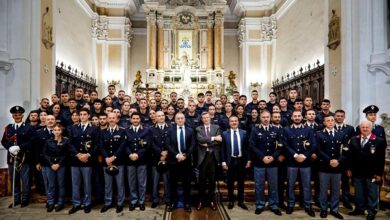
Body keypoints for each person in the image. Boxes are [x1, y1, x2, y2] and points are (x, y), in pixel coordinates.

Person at [347, 120, 387, 220]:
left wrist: (379, 173)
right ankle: (359, 209)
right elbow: (350, 156)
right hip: (357, 171)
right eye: (363, 127)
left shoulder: (379, 141)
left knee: (372, 193)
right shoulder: (353, 139)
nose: (365, 129)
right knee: (358, 192)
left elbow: (381, 159)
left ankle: (371, 211)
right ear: (360, 128)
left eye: (367, 127)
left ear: (371, 128)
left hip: (372, 173)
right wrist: (349, 169)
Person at [282, 111, 316, 217]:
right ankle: (290, 204)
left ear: (302, 117)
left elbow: (313, 145)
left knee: (306, 186)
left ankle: (307, 205)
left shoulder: (309, 129)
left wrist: (304, 156)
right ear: (291, 117)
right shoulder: (286, 129)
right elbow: (285, 145)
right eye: (295, 116)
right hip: (292, 162)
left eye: (298, 116)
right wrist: (296, 156)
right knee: (290, 185)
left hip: (305, 162)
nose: (297, 118)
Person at [249, 111, 283, 216]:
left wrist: (273, 157)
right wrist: (262, 157)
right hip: (259, 162)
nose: (266, 119)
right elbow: (252, 145)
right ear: (260, 118)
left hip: (272, 163)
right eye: (263, 117)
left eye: (267, 117)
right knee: (259, 185)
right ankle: (260, 204)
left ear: (271, 118)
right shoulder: (255, 130)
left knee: (273, 185)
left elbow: (281, 146)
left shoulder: (276, 130)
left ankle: (273, 205)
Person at [1, 106, 35, 208]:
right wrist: (10, 148)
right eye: (15, 114)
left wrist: (19, 147)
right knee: (14, 179)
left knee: (25, 179)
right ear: (12, 116)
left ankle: (25, 199)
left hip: (24, 157)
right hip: (11, 157)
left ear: (22, 115)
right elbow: (3, 141)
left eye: (19, 114)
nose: (17, 116)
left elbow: (32, 141)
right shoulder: (9, 128)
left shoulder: (29, 127)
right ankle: (16, 199)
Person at [68, 108, 100, 214]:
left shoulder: (95, 128)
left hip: (88, 160)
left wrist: (87, 155)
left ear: (88, 115)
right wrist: (78, 154)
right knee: (75, 184)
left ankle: (87, 203)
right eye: (80, 114)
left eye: (84, 114)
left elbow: (96, 144)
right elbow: (70, 144)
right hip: (75, 160)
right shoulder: (73, 128)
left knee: (87, 184)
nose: (82, 116)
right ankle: (76, 204)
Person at [316, 115, 347, 219]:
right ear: (324, 123)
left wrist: (338, 161)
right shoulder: (319, 134)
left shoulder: (341, 134)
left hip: (337, 167)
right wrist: (329, 160)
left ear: (334, 122)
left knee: (335, 190)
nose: (330, 122)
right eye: (328, 120)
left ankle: (334, 210)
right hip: (324, 166)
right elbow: (318, 150)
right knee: (323, 189)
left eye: (332, 120)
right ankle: (323, 209)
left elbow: (346, 150)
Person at [166, 112, 196, 212]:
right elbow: (168, 144)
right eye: (178, 118)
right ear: (175, 120)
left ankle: (187, 203)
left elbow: (192, 145)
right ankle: (173, 203)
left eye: (182, 118)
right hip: (173, 161)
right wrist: (177, 155)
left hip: (186, 161)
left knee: (187, 183)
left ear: (184, 119)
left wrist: (185, 155)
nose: (180, 120)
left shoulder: (190, 130)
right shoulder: (170, 130)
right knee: (173, 183)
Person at [221, 115, 250, 210]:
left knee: (241, 182)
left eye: (235, 121)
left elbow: (247, 148)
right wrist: (223, 162)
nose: (234, 122)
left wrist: (249, 160)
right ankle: (231, 201)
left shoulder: (244, 133)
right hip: (231, 161)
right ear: (229, 123)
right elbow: (223, 149)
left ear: (238, 122)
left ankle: (241, 201)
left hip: (241, 160)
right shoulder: (225, 134)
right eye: (232, 121)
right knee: (230, 182)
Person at [99, 113, 126, 213]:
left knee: (120, 184)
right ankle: (108, 202)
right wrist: (106, 158)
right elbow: (101, 146)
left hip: (118, 161)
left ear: (117, 119)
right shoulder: (103, 132)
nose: (111, 120)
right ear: (107, 119)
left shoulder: (122, 131)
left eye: (113, 118)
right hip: (107, 162)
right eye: (109, 118)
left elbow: (122, 146)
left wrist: (113, 157)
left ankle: (120, 203)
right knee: (108, 184)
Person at [123, 112, 150, 211]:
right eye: (133, 118)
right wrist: (130, 154)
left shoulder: (146, 131)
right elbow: (124, 145)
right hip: (130, 160)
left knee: (142, 183)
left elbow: (147, 145)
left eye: (137, 118)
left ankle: (141, 201)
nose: (135, 120)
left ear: (140, 119)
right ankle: (133, 201)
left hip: (141, 160)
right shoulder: (126, 130)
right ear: (130, 119)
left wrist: (138, 154)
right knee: (132, 182)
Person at [196, 112, 222, 211]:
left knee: (212, 180)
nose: (206, 119)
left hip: (213, 157)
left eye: (207, 117)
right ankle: (201, 201)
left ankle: (212, 201)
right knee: (201, 180)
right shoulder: (198, 128)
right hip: (203, 157)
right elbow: (200, 139)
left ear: (210, 118)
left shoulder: (216, 127)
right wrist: (213, 138)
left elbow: (219, 141)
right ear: (202, 119)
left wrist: (206, 143)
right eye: (204, 118)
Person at [42, 123, 69, 212]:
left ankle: (60, 203)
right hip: (50, 166)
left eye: (59, 130)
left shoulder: (66, 141)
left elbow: (66, 154)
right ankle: (50, 203)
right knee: (51, 185)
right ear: (53, 131)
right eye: (55, 130)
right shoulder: (48, 141)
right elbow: (45, 154)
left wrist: (58, 164)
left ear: (61, 131)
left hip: (61, 166)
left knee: (61, 185)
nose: (57, 131)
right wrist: (51, 164)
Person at [334, 109, 355, 209]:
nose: (339, 117)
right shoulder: (329, 126)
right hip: (333, 160)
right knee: (333, 182)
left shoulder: (350, 129)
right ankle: (333, 201)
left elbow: (352, 146)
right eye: (337, 116)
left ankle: (346, 201)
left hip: (345, 160)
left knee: (345, 182)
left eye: (341, 116)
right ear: (334, 116)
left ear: (344, 117)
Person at [150, 111, 171, 209]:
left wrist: (166, 152)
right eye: (159, 116)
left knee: (167, 181)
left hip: (168, 158)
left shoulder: (170, 128)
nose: (161, 117)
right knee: (155, 181)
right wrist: (160, 153)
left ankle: (167, 200)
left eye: (163, 115)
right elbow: (151, 144)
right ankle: (155, 200)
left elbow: (172, 142)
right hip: (155, 159)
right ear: (155, 117)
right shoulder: (151, 129)